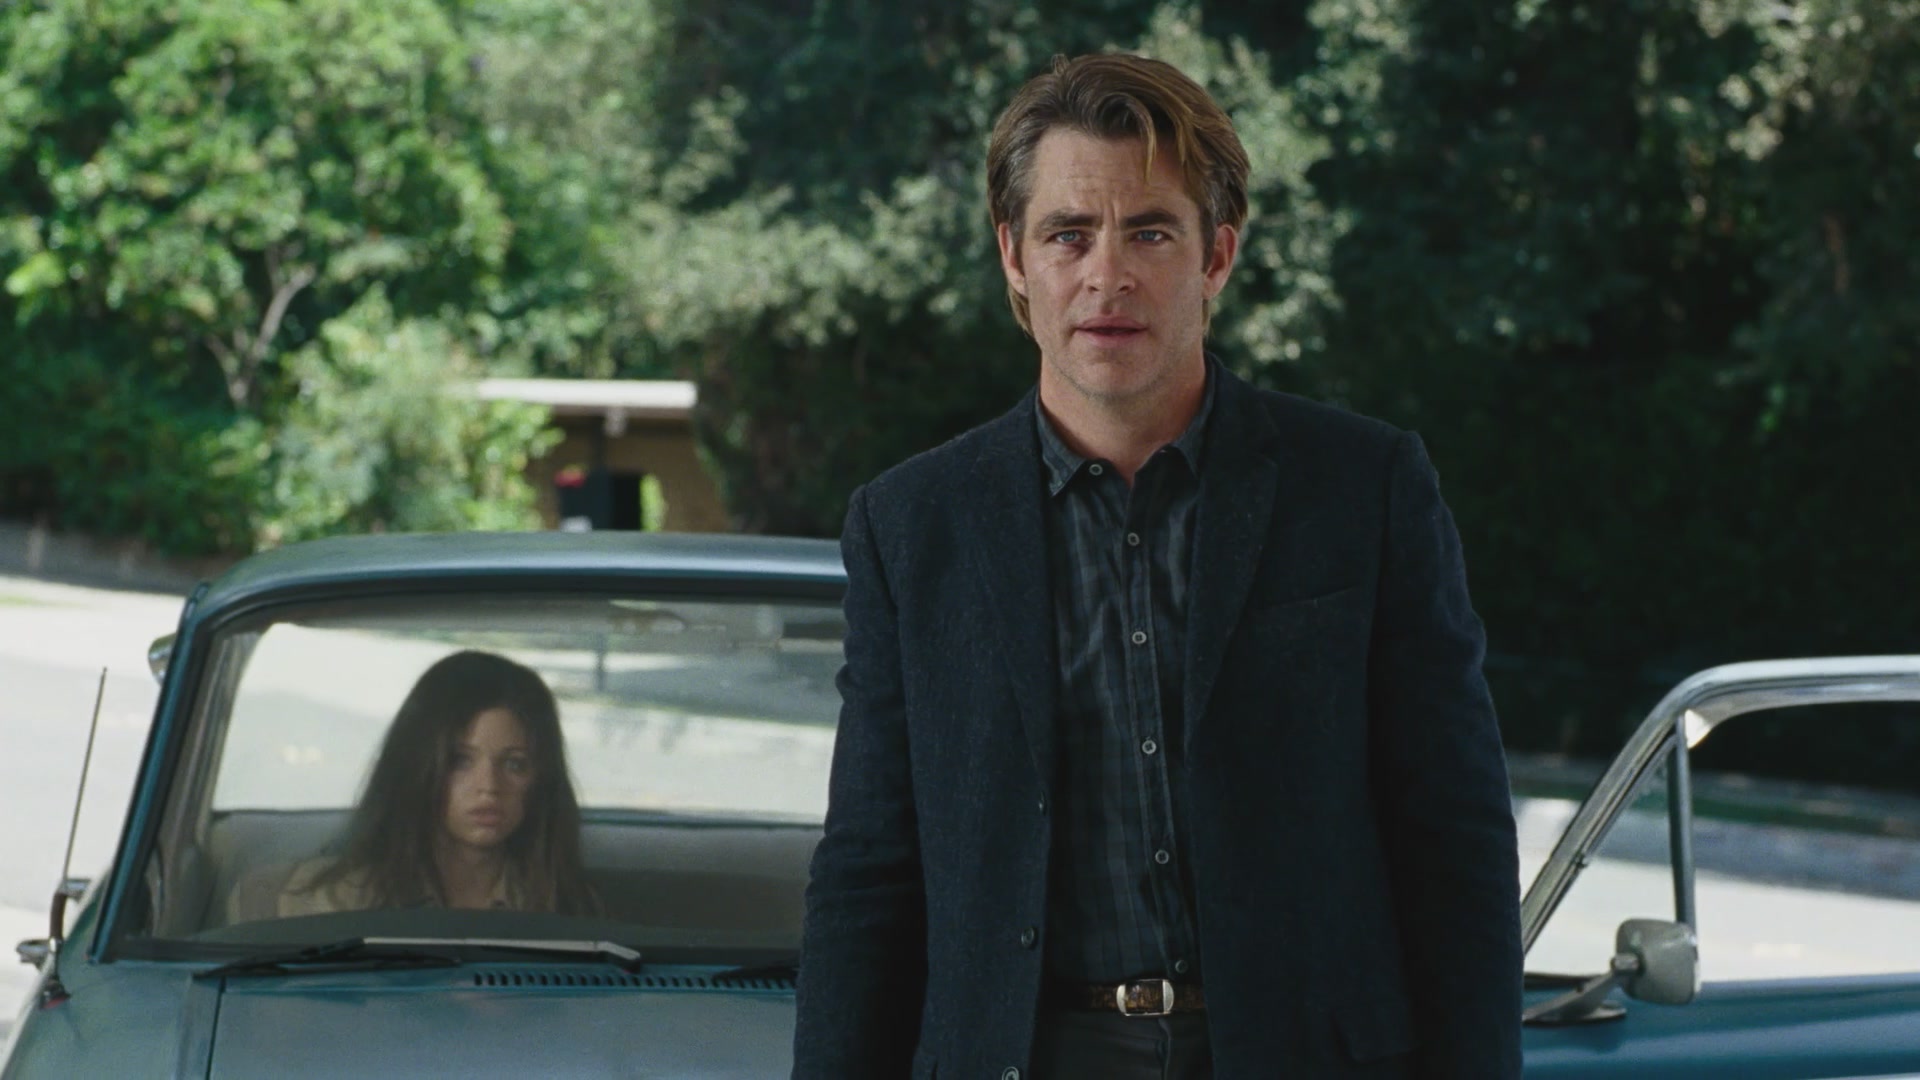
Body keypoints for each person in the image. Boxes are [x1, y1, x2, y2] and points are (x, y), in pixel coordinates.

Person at [793, 53, 1522, 1079]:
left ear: (1216, 253)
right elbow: (870, 869)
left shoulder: (1364, 488)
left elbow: (1454, 836)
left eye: (1149, 231)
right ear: (1013, 255)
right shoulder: (912, 526)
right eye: (1067, 234)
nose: (1108, 276)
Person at [276, 650, 599, 917]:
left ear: (541, 778)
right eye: (459, 761)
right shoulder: (337, 901)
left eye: (515, 764)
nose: (489, 786)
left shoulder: (565, 908)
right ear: (417, 765)